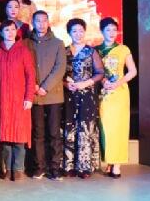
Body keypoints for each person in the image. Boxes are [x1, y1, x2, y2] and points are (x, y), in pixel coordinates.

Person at [0, 20, 35, 181]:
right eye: (6, 30)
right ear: (1, 33)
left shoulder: (23, 51)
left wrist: (29, 97)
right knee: (5, 135)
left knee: (19, 134)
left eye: (12, 30)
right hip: (3, 99)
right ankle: (8, 168)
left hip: (20, 99)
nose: (10, 33)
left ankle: (18, 168)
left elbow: (30, 76)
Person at [63, 18, 104, 179]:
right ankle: (69, 165)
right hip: (69, 95)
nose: (78, 34)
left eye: (81, 31)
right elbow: (59, 74)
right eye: (74, 31)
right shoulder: (64, 51)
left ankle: (84, 167)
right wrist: (66, 84)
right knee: (69, 128)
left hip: (87, 95)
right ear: (69, 33)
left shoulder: (91, 51)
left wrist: (85, 83)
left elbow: (100, 73)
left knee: (85, 129)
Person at [97, 17, 137, 178]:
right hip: (103, 94)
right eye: (108, 30)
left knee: (119, 127)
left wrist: (118, 83)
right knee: (106, 128)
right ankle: (110, 161)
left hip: (120, 93)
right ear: (101, 31)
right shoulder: (96, 50)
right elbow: (95, 72)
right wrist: (103, 81)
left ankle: (117, 165)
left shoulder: (123, 49)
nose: (112, 33)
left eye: (114, 30)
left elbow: (132, 71)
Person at [29, 10, 67, 180]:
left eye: (44, 20)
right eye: (38, 21)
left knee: (54, 132)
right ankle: (39, 167)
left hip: (53, 94)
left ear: (48, 22)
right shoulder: (26, 43)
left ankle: (55, 168)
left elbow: (60, 68)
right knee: (38, 133)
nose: (41, 24)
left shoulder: (58, 43)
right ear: (33, 23)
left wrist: (45, 87)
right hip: (35, 94)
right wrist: (34, 85)